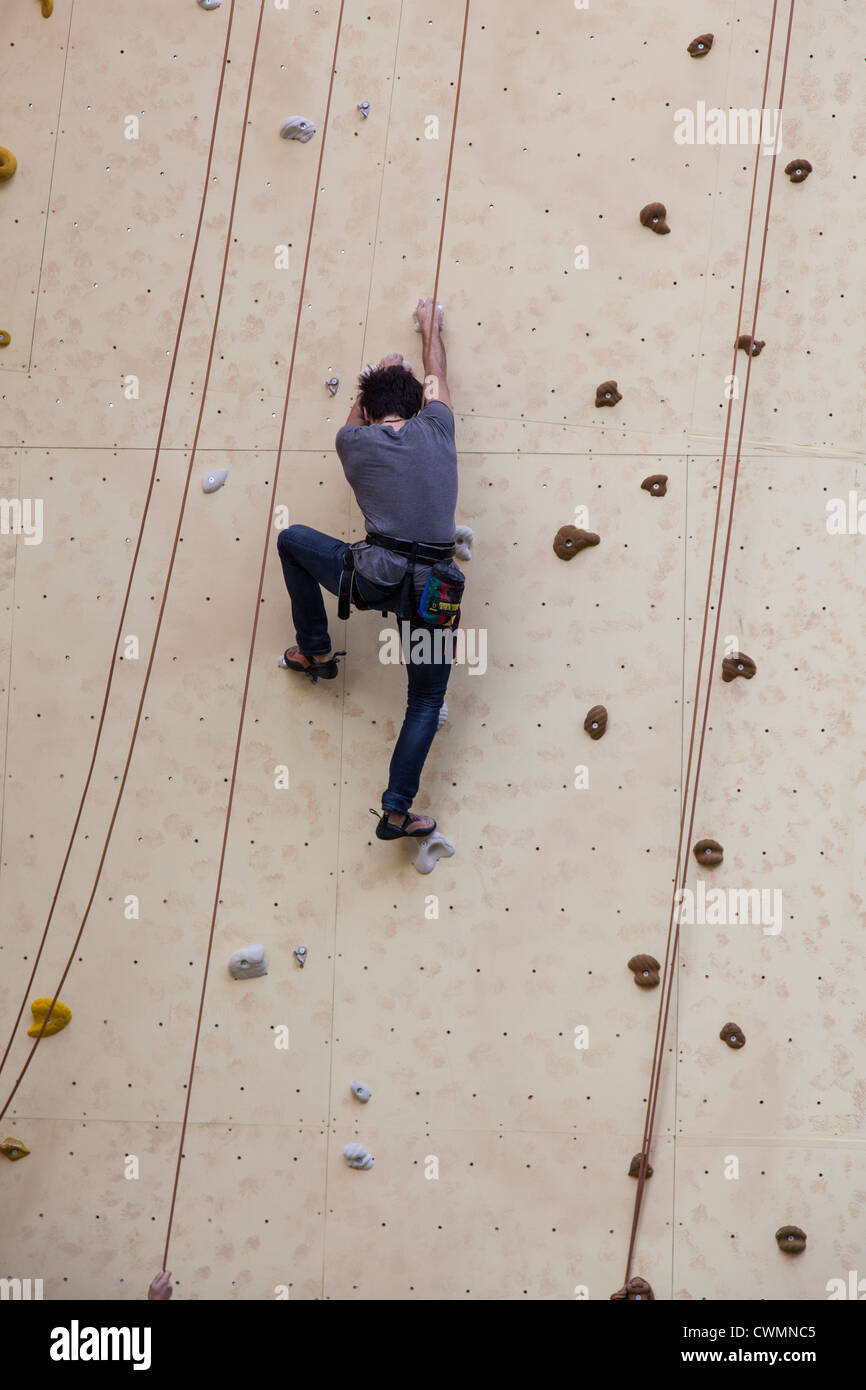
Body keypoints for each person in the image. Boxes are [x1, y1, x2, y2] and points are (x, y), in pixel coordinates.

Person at [276, 296, 458, 840]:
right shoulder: (441, 428)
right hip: (434, 593)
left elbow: (357, 414)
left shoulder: (352, 440)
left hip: (372, 577)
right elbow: (437, 375)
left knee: (292, 542)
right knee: (425, 699)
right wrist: (430, 327)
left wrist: (371, 376)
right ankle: (398, 812)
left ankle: (316, 648)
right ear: (420, 407)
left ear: (370, 410)